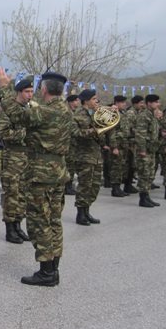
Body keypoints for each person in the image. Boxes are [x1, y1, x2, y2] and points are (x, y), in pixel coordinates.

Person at [0, 68, 73, 287]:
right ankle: (53, 268)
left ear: (44, 88)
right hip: (58, 172)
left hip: (42, 173)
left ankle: (46, 272)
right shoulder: (66, 110)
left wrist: (5, 88)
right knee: (54, 221)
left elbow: (17, 114)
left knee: (40, 222)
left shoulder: (46, 111)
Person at [0, 78, 33, 244]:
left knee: (22, 193)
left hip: (26, 158)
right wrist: (25, 133)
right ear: (19, 92)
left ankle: (18, 226)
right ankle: (10, 230)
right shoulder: (8, 110)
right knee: (12, 193)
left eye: (31, 91)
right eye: (27, 92)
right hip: (12, 157)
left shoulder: (29, 109)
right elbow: (3, 134)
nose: (30, 95)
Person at [72, 89, 104, 226]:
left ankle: (87, 211)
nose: (96, 101)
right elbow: (75, 133)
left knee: (94, 186)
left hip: (96, 154)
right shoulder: (77, 115)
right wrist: (93, 130)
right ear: (86, 101)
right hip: (84, 155)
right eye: (94, 99)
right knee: (85, 185)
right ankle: (81, 214)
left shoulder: (94, 114)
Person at [135, 94, 161, 207]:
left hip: (151, 149)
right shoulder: (144, 115)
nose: (157, 104)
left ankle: (147, 196)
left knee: (150, 174)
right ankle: (143, 198)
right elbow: (140, 134)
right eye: (155, 102)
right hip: (144, 150)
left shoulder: (152, 115)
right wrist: (142, 149)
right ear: (149, 103)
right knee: (144, 174)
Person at [109, 96, 132, 198]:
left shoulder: (123, 113)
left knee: (122, 166)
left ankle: (119, 187)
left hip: (124, 144)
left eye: (124, 102)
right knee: (116, 167)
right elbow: (111, 131)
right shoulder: (113, 113)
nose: (124, 104)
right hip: (117, 144)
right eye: (122, 103)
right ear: (116, 103)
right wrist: (114, 147)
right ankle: (115, 188)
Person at [124, 95, 145, 194]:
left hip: (135, 142)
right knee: (129, 166)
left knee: (133, 166)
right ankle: (127, 185)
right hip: (130, 143)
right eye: (141, 103)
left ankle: (129, 184)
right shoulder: (131, 113)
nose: (142, 105)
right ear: (135, 103)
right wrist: (138, 132)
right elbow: (128, 128)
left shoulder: (138, 112)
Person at [64, 94, 81, 195]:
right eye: (75, 101)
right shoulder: (68, 113)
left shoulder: (75, 113)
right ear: (71, 102)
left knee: (71, 165)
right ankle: (67, 186)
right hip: (68, 143)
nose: (77, 103)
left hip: (74, 144)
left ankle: (69, 185)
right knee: (69, 165)